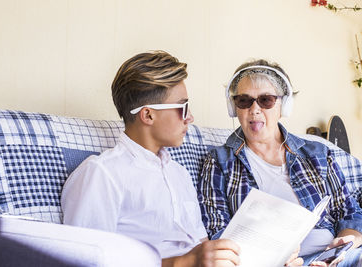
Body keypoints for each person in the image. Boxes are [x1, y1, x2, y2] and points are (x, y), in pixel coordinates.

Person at [61, 50, 242, 267]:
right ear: (148, 115)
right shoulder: (102, 174)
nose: (190, 118)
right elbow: (86, 261)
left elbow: (201, 246)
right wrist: (183, 262)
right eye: (183, 107)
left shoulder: (179, 173)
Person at [198, 59, 362, 267]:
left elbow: (349, 212)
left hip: (336, 259)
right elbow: (216, 230)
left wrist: (346, 243)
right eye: (244, 101)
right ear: (234, 107)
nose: (254, 109)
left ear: (284, 105)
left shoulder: (318, 154)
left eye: (266, 100)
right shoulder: (219, 162)